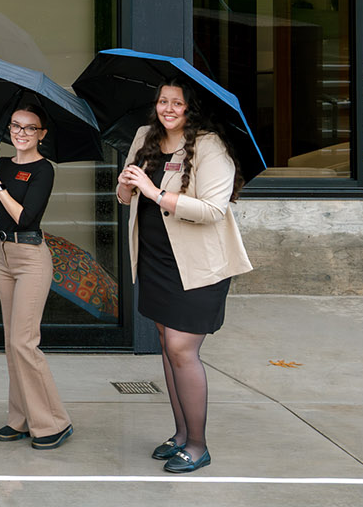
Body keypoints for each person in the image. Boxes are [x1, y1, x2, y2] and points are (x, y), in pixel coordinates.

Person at [116, 78, 252, 475]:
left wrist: (154, 192)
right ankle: (179, 435)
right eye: (163, 101)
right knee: (165, 341)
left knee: (180, 347)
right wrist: (127, 188)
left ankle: (197, 444)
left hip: (198, 265)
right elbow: (126, 197)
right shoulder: (145, 136)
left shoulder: (211, 146)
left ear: (191, 109)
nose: (168, 108)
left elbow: (212, 209)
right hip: (157, 259)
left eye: (177, 103)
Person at [0, 106, 73, 450]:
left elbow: (25, 218)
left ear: (41, 134)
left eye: (30, 128)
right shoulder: (1, 164)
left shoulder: (43, 170)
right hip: (3, 255)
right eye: (16, 125)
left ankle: (54, 422)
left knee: (24, 341)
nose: (21, 132)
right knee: (11, 342)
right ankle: (19, 418)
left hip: (31, 256)